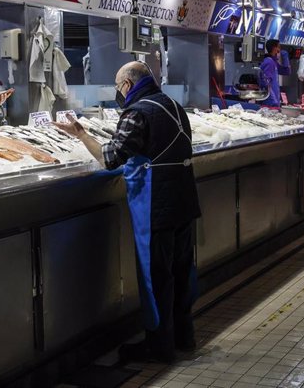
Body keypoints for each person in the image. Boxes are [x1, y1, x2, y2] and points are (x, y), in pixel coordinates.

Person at [54, 61, 201, 363]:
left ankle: (158, 346)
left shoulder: (137, 112)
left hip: (155, 206)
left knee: (156, 276)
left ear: (127, 85)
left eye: (118, 86)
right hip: (184, 201)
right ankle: (184, 338)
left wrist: (81, 135)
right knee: (183, 271)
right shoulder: (172, 105)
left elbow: (111, 158)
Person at [259, 39, 290, 107]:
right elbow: (266, 83)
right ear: (274, 48)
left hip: (274, 102)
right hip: (269, 103)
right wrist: (273, 100)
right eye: (279, 47)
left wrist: (285, 57)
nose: (280, 50)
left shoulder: (274, 62)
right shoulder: (269, 62)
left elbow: (287, 72)